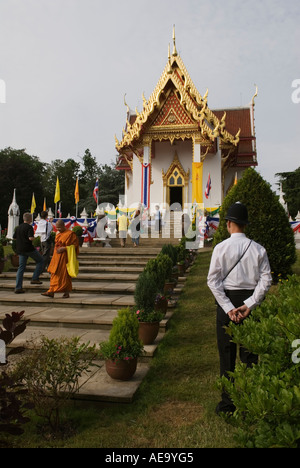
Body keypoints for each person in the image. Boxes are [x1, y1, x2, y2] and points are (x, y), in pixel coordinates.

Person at [207, 202, 272, 415]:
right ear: (245, 225)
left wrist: (228, 308)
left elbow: (213, 281)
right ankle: (250, 403)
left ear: (228, 224)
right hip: (249, 303)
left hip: (227, 303)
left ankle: (228, 403)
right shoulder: (258, 249)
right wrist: (250, 304)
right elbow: (266, 281)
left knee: (226, 354)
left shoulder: (220, 248)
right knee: (250, 356)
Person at [41, 219, 79, 299]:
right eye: (57, 228)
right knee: (54, 274)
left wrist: (64, 248)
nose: (58, 229)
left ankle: (66, 292)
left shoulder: (70, 234)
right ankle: (51, 291)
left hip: (65, 258)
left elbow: (75, 246)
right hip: (56, 258)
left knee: (65, 275)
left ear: (63, 226)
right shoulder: (58, 234)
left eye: (59, 228)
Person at [13, 212, 44, 294]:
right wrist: (35, 238)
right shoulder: (29, 227)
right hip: (29, 249)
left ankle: (18, 287)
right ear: (30, 219)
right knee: (40, 260)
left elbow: (14, 238)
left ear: (23, 219)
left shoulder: (18, 227)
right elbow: (30, 238)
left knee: (21, 268)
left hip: (20, 249)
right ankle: (35, 278)